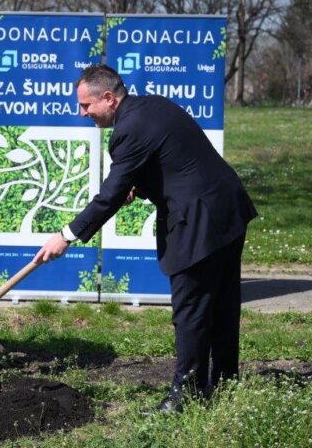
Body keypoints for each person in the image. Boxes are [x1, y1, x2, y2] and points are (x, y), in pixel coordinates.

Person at [34, 64, 258, 413]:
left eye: (86, 106)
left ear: (108, 98)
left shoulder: (129, 129)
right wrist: (142, 185)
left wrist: (67, 235)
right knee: (222, 305)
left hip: (198, 221)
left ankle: (186, 397)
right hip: (228, 207)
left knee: (192, 310)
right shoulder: (152, 105)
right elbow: (174, 160)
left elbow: (109, 196)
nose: (82, 113)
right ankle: (226, 384)